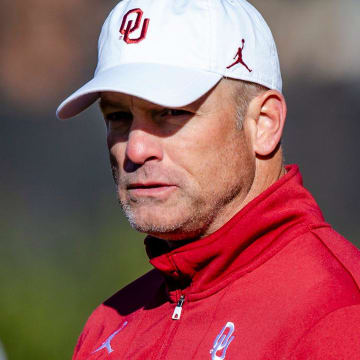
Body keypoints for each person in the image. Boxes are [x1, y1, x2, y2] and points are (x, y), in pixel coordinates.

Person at [57, 0, 360, 359]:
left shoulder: (335, 313)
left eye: (170, 112)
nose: (135, 149)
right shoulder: (107, 326)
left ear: (264, 124)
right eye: (119, 116)